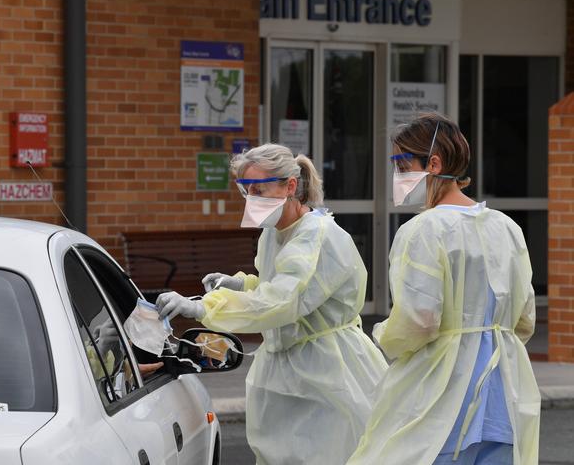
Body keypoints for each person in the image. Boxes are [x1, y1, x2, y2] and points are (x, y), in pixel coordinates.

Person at [156, 144, 387, 465]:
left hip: (328, 369)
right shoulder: (275, 232)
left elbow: (281, 302)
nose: (251, 200)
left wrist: (203, 308)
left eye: (259, 190)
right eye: (245, 191)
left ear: (290, 186)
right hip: (288, 366)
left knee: (331, 454)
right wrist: (240, 283)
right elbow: (273, 285)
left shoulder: (316, 237)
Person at [347, 112, 540, 465]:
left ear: (433, 164)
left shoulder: (422, 230)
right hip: (504, 394)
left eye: (402, 164)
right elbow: (525, 318)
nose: (397, 176)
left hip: (441, 399)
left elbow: (419, 321)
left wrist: (383, 337)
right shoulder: (507, 227)